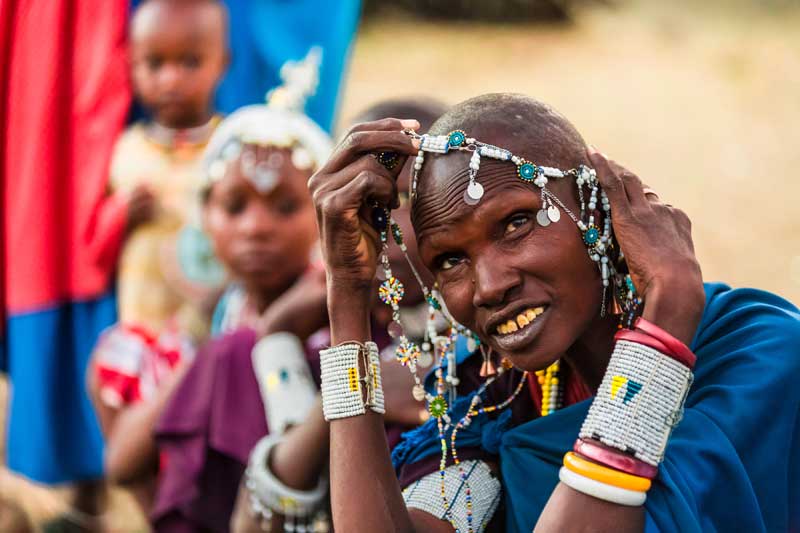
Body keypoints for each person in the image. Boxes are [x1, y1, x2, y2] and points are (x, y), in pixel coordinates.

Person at [307, 93, 800, 532]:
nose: (490, 286)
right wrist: (347, 295)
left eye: (516, 222)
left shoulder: (762, 355)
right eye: (451, 260)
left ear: (597, 207)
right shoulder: (497, 408)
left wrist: (667, 317)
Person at [226, 98, 450, 533]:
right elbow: (254, 522)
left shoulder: (477, 342)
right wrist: (278, 336)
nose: (375, 220)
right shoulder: (319, 324)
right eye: (353, 196)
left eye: (401, 198)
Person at [86, 0, 229, 514]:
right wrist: (119, 215)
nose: (171, 78)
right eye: (154, 63)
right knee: (132, 443)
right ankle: (152, 515)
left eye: (190, 62)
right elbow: (91, 254)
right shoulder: (126, 152)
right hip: (141, 337)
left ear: (223, 63)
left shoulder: (228, 147)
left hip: (206, 334)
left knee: (201, 454)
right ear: (131, 64)